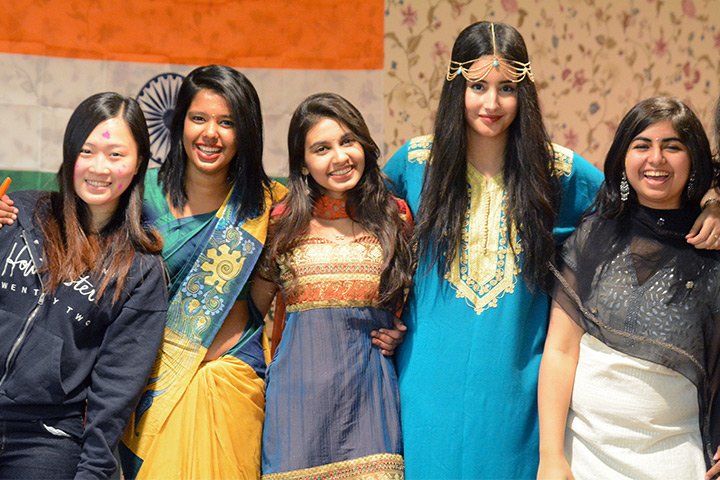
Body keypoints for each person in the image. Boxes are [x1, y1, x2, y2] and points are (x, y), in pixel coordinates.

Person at [383, 21, 720, 479]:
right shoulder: (416, 164)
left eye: (507, 88)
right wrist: (381, 317)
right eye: (477, 86)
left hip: (518, 396)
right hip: (424, 385)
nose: (491, 103)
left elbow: (645, 193)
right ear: (454, 86)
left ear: (526, 91)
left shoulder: (560, 173)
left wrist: (714, 202)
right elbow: (358, 231)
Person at [114, 65, 287, 479]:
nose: (211, 133)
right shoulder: (140, 195)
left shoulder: (270, 207)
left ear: (246, 132)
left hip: (231, 383)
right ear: (180, 124)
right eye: (199, 119)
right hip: (147, 393)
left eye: (227, 122)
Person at [537, 96, 720, 480]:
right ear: (623, 158)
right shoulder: (592, 237)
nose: (656, 159)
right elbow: (560, 349)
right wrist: (551, 456)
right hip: (584, 455)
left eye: (672, 146)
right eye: (642, 145)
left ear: (695, 161)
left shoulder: (711, 248)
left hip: (675, 460)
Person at [0, 92, 167, 479]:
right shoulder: (19, 213)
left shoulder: (140, 271)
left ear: (139, 163)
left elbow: (114, 395)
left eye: (116, 155)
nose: (99, 167)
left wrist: (93, 473)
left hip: (47, 438)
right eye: (87, 151)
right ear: (70, 152)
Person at [251, 93, 412, 478]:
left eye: (347, 141)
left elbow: (416, 306)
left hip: (372, 401)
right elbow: (252, 313)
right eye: (321, 148)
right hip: (296, 407)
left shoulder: (395, 218)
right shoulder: (282, 223)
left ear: (364, 145)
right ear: (303, 164)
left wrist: (402, 331)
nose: (339, 157)